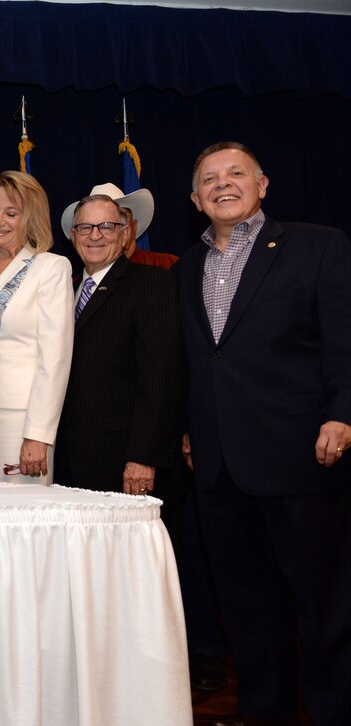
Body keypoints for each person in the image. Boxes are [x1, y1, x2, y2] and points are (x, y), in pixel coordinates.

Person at [177, 141, 351, 725]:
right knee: (247, 608)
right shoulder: (186, 268)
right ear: (196, 199)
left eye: (236, 174)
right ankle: (263, 712)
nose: (223, 184)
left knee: (324, 605)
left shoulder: (318, 245)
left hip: (302, 457)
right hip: (221, 468)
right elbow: (196, 361)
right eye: (209, 179)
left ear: (263, 184)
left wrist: (343, 412)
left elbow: (343, 340)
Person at [54, 192, 183, 495]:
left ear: (125, 234)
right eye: (85, 227)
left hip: (123, 457)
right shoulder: (62, 289)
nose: (95, 235)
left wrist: (143, 456)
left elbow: (161, 379)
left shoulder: (152, 283)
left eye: (107, 226)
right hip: (66, 459)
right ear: (73, 236)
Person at [0, 172, 73, 485]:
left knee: (17, 520)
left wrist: (38, 435)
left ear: (31, 218)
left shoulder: (51, 268)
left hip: (19, 420)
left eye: (11, 213)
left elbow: (55, 358)